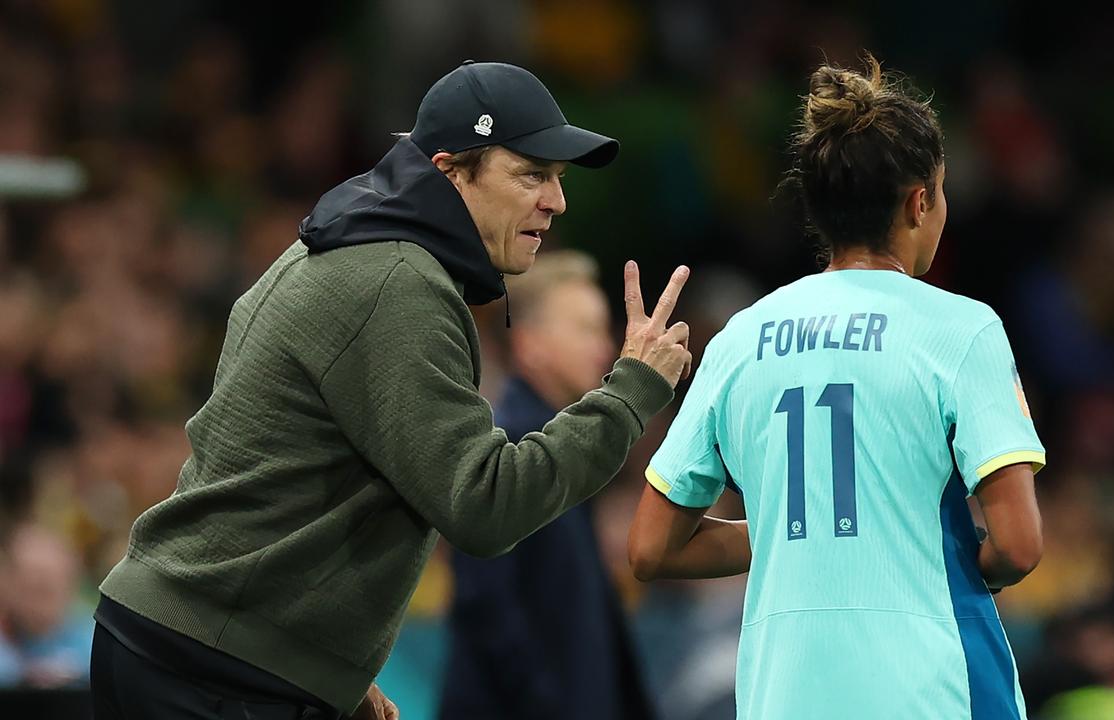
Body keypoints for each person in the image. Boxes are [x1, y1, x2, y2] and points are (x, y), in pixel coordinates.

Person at [90, 60, 694, 720]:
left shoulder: (361, 246)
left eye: (557, 178)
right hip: (209, 670)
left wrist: (326, 669)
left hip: (205, 654)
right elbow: (484, 506)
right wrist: (630, 390)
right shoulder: (398, 284)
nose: (556, 200)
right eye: (531, 173)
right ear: (449, 169)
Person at [628, 56, 1046, 719]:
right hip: (934, 691)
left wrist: (806, 532)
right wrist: (952, 557)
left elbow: (651, 548)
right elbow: (1018, 546)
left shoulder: (740, 338)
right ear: (919, 202)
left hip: (783, 697)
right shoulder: (961, 331)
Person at [440, 250, 655, 720]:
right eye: (586, 329)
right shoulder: (509, 446)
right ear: (530, 344)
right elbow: (489, 608)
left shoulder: (563, 445)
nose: (605, 348)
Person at [0, 524, 95, 689]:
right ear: (7, 584)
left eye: (47, 590)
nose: (37, 604)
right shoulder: (5, 636)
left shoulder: (92, 635)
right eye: (29, 589)